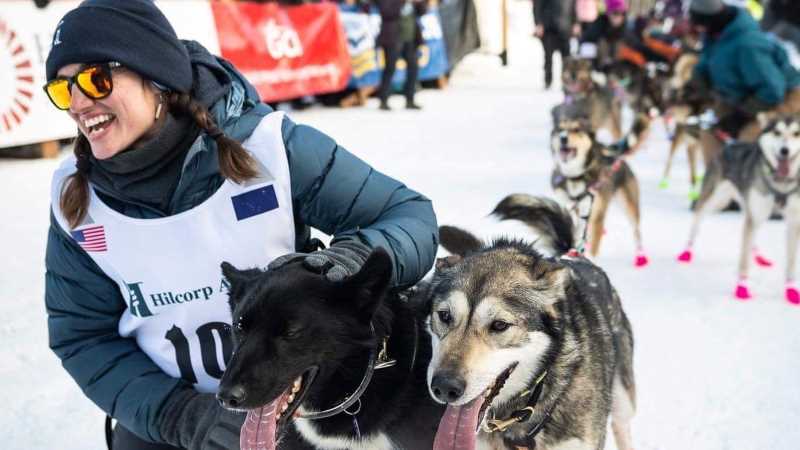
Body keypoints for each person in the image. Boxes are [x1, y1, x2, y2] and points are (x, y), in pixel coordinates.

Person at [43, 1, 438, 449]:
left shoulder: (268, 148)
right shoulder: (76, 202)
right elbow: (81, 336)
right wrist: (180, 415)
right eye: (61, 89)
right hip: (166, 420)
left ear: (156, 78)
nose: (77, 103)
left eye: (96, 79)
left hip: (291, 405)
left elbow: (409, 215)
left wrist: (350, 258)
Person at [687, 0, 800, 161]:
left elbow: (773, 89)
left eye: (699, 25)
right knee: (710, 134)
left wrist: (741, 116)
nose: (697, 30)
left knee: (746, 139)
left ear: (710, 20)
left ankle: (747, 182)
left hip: (783, 98)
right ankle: (718, 179)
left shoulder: (747, 45)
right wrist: (696, 83)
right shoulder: (715, 35)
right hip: (744, 97)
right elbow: (707, 62)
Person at [376, 0, 427, 110]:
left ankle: (410, 99)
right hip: (392, 38)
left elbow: (422, 11)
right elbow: (386, 12)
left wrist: (419, 3)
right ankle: (383, 100)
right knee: (390, 68)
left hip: (410, 38)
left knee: (413, 68)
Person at [533, 0, 579, 90]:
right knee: (548, 57)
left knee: (566, 58)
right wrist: (538, 24)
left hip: (565, 27)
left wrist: (575, 23)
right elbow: (537, 7)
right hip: (549, 28)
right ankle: (548, 80)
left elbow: (573, 8)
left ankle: (565, 82)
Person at [580, 0, 630, 71]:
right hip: (597, 66)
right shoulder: (598, 26)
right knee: (601, 42)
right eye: (615, 13)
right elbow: (585, 42)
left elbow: (636, 45)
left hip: (617, 69)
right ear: (609, 14)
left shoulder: (625, 30)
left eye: (622, 14)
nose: (619, 17)